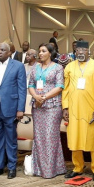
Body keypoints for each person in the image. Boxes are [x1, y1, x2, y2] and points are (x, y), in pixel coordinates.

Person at [62, 40, 94, 181]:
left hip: (91, 110)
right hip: (74, 110)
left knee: (93, 140)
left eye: (83, 50)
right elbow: (66, 89)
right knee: (74, 139)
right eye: (78, 51)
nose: (80, 53)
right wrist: (65, 107)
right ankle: (77, 167)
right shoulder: (69, 67)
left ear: (89, 52)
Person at [0, 42, 27, 179]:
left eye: (3, 50)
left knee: (11, 140)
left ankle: (12, 168)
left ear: (9, 53)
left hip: (11, 108)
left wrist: (21, 109)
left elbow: (22, 89)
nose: (0, 52)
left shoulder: (18, 66)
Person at [27, 43, 66, 179]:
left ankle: (52, 169)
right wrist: (36, 96)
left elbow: (60, 86)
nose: (40, 53)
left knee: (50, 136)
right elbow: (31, 84)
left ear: (50, 53)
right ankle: (39, 169)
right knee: (39, 136)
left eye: (43, 51)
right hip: (37, 105)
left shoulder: (58, 67)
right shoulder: (35, 68)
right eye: (39, 51)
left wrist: (44, 97)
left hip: (52, 105)